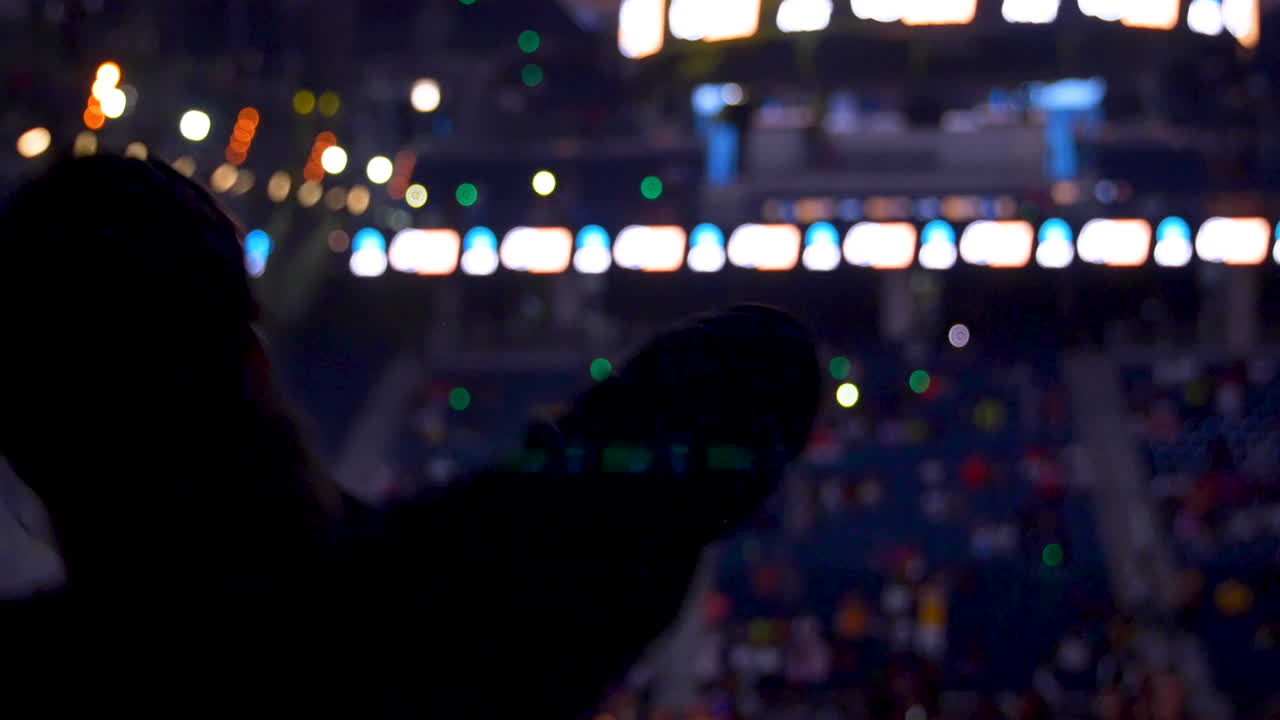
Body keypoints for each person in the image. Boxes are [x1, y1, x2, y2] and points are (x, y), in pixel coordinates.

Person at [0, 155, 821, 717]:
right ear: (253, 364)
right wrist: (542, 478)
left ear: (29, 452)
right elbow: (759, 367)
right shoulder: (409, 621)